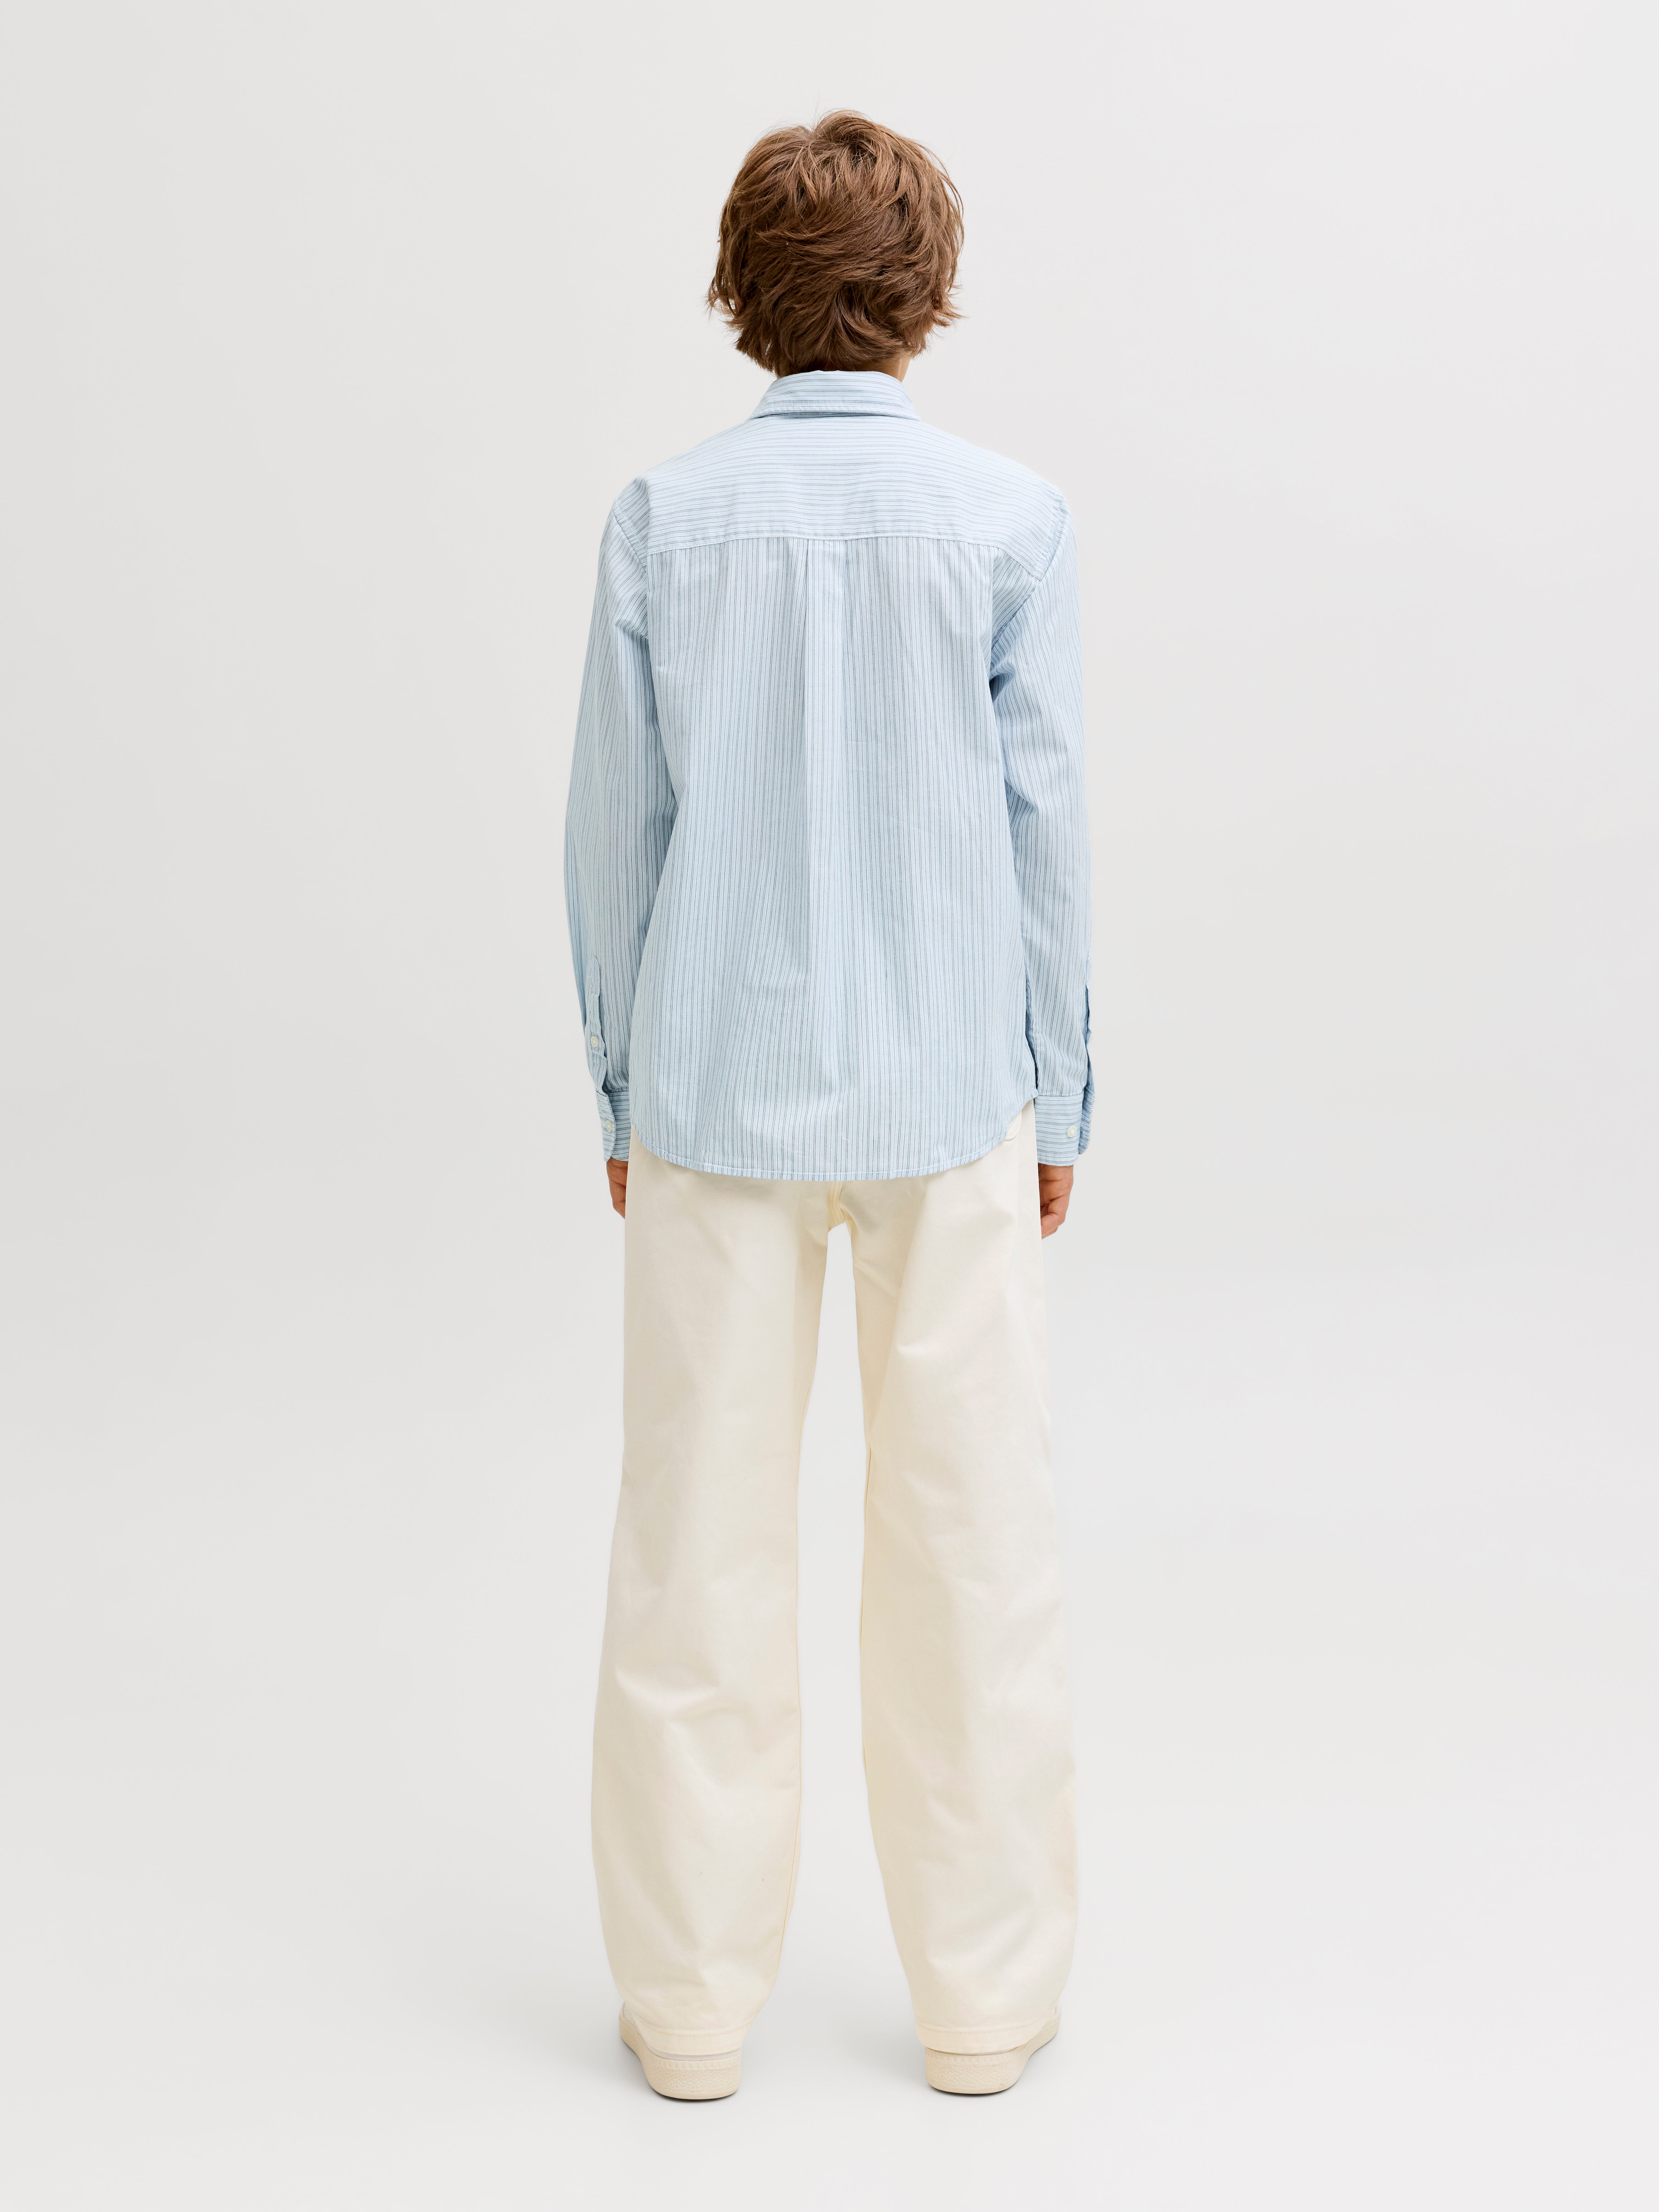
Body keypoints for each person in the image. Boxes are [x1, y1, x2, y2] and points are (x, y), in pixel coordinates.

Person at [565, 111, 1091, 2101]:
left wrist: (621, 1080)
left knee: (692, 1558)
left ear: (743, 292)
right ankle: (986, 2005)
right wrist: (1061, 1090)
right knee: (975, 1553)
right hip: (954, 1095)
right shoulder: (1010, 519)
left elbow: (617, 830)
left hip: (712, 1098)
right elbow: (1047, 829)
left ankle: (690, 2013)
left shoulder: (663, 519)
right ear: (926, 292)